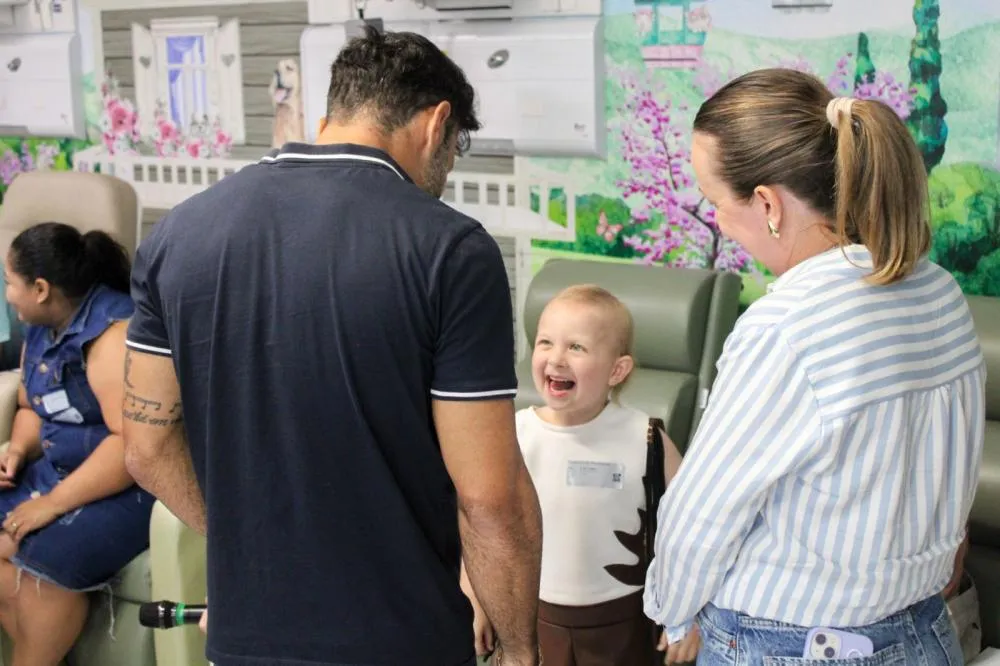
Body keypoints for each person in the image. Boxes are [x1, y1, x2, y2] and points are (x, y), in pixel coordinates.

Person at [121, 25, 543, 666]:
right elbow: (491, 498)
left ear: (331, 117)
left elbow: (146, 448)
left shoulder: (177, 233)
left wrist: (255, 555)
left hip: (243, 641)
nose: (446, 174)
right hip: (400, 641)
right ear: (436, 124)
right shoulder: (452, 251)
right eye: (455, 152)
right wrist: (520, 652)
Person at [643, 67, 985, 665]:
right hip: (926, 634)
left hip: (790, 645)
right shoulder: (940, 292)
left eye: (716, 201)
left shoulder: (785, 327)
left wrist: (672, 610)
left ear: (768, 204)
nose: (717, 220)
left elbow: (703, 513)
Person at [464, 285, 698, 666]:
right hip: (532, 619)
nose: (556, 358)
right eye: (545, 342)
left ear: (617, 370)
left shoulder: (646, 437)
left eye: (576, 347)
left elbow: (695, 528)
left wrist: (689, 613)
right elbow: (481, 524)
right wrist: (474, 596)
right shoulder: (514, 434)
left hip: (623, 622)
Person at [0, 222, 153, 665]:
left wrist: (53, 503)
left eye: (9, 282)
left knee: (42, 561)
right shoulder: (40, 324)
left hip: (128, 483)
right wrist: (16, 451)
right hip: (60, 468)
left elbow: (132, 445)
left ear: (41, 289)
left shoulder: (112, 336)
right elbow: (32, 406)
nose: (7, 295)